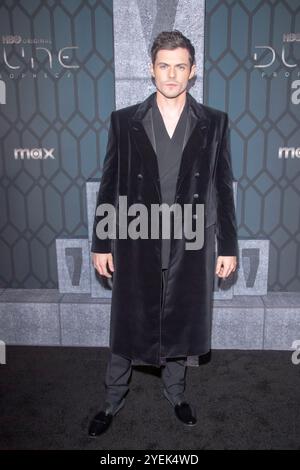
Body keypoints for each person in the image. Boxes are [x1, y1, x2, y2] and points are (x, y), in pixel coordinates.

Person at [88, 30, 238, 437]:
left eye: (180, 67)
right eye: (163, 66)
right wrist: (101, 241)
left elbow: (223, 187)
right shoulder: (124, 120)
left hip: (191, 240)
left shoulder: (215, 122)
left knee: (178, 319)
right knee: (127, 321)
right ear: (152, 70)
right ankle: (112, 398)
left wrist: (228, 246)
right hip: (136, 236)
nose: (171, 75)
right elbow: (109, 182)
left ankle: (176, 391)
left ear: (193, 71)